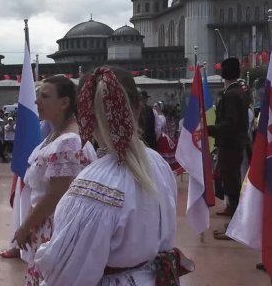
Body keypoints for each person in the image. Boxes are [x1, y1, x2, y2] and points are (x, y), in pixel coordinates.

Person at [34, 66, 188, 285]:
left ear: (87, 117)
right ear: (137, 109)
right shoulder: (157, 163)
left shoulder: (92, 186)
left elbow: (66, 276)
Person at [12, 75, 96, 285]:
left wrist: (25, 227)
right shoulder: (56, 135)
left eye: (45, 96)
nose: (37, 101)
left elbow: (55, 195)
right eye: (38, 95)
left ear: (64, 102)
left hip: (56, 228)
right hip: (46, 224)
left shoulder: (68, 142)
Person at [206, 58, 250, 241]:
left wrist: (209, 129)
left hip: (230, 145)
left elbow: (231, 124)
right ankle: (233, 224)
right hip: (233, 144)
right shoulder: (237, 92)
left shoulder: (232, 95)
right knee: (231, 184)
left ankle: (234, 228)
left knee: (232, 186)